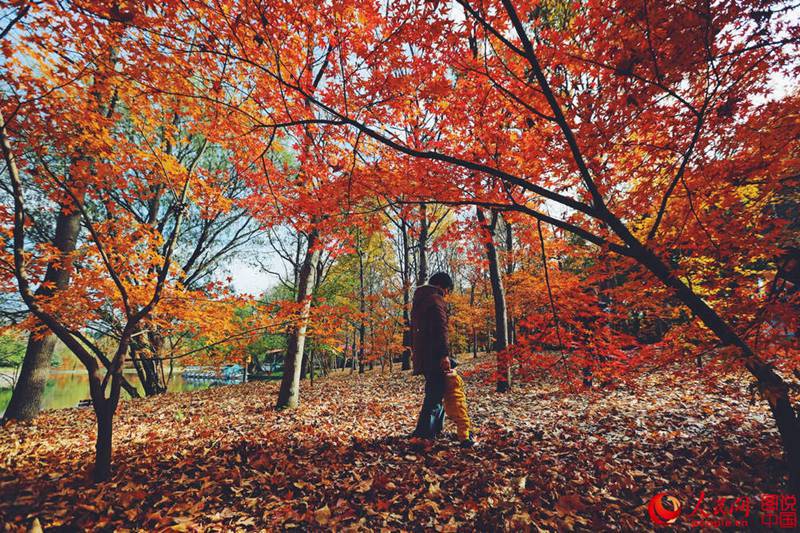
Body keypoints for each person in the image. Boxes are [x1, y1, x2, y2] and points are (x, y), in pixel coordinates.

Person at [410, 272, 475, 446]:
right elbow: (440, 330)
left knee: (436, 392)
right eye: (447, 290)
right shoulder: (435, 300)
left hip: (424, 354)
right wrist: (444, 354)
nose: (446, 294)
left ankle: (433, 430)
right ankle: (424, 434)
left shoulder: (420, 301)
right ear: (442, 286)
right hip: (434, 355)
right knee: (434, 395)